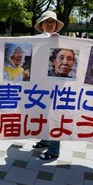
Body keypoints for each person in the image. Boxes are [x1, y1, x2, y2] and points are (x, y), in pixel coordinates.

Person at [32, 10, 64, 160]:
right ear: (42, 25)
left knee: (53, 116)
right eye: (46, 22)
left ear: (56, 25)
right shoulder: (36, 40)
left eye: (52, 22)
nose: (49, 25)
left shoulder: (63, 41)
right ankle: (45, 140)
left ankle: (54, 149)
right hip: (39, 85)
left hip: (55, 86)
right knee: (42, 114)